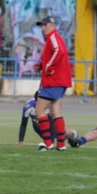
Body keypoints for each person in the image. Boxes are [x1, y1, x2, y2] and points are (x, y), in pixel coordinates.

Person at [33, 16, 72, 151]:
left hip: (53, 80)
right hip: (60, 81)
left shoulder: (53, 37)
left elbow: (59, 51)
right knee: (56, 112)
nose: (43, 28)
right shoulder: (53, 38)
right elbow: (55, 54)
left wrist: (48, 66)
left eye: (45, 25)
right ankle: (61, 144)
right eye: (42, 26)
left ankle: (48, 142)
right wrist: (42, 65)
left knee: (40, 109)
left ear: (52, 25)